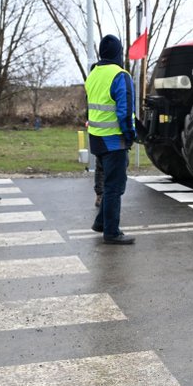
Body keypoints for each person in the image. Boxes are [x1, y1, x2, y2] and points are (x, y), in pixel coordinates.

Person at [86, 34, 136, 244]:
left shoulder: (93, 73)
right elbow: (125, 112)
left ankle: (101, 223)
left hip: (96, 139)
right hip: (114, 140)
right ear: (118, 53)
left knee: (110, 183)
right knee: (115, 187)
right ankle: (111, 232)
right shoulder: (120, 75)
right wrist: (130, 136)